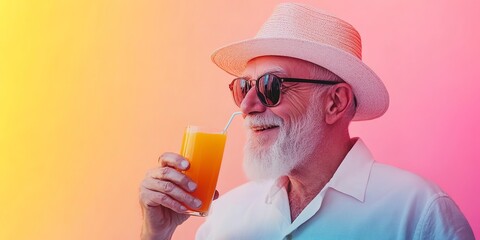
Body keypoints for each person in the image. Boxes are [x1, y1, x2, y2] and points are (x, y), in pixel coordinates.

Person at [139, 3, 474, 240]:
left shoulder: (419, 214)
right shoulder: (225, 218)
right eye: (243, 87)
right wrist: (157, 233)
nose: (249, 106)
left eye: (271, 86)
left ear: (335, 101)